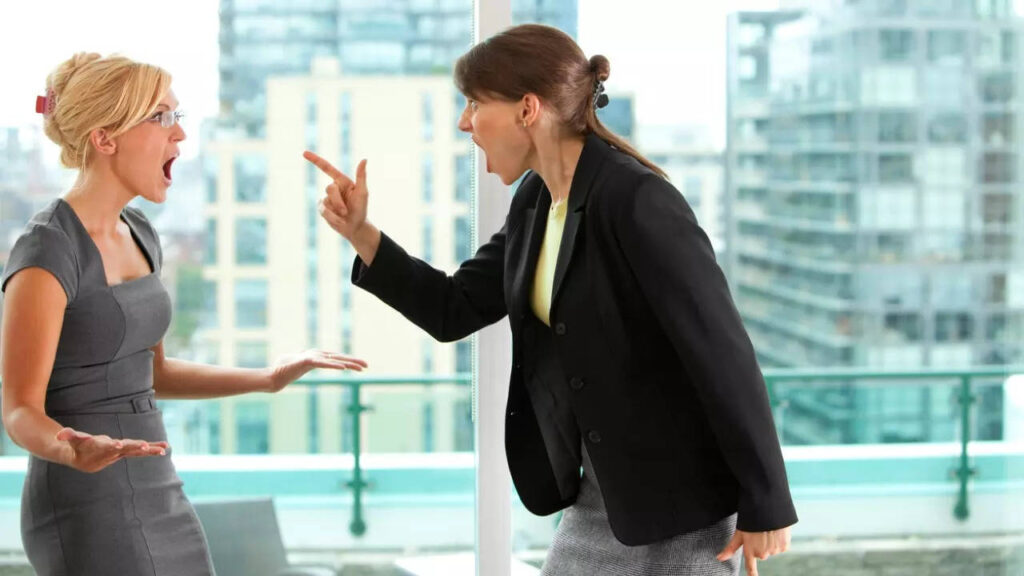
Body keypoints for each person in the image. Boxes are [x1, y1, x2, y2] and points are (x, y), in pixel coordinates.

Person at [305, 24, 795, 576]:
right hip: (601, 497)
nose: (464, 122)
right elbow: (455, 306)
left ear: (527, 109)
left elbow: (721, 352)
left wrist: (766, 503)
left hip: (678, 506)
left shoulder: (636, 200)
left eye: (473, 104)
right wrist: (362, 234)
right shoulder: (537, 201)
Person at [1, 52, 367, 576]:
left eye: (178, 117)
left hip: (158, 486)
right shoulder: (47, 250)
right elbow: (18, 409)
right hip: (84, 499)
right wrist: (68, 448)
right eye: (161, 117)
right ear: (106, 138)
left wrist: (268, 377)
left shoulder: (142, 233)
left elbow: (154, 373)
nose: (180, 136)